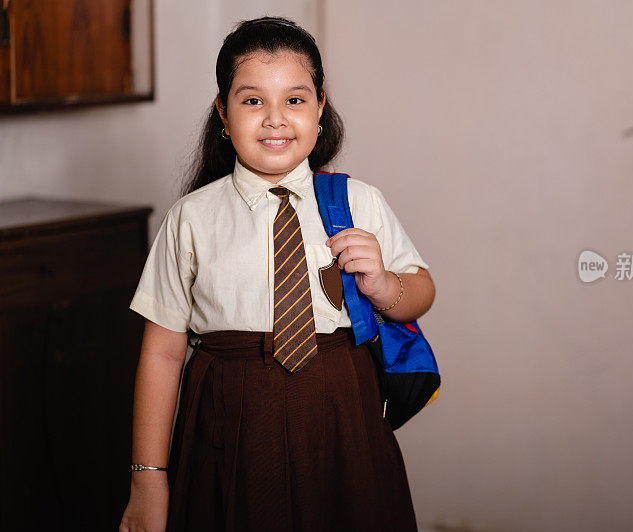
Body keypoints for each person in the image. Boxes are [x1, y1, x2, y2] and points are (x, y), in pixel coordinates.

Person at [118, 15, 435, 532]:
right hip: (229, 416)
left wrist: (382, 285)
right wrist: (147, 480)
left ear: (319, 108)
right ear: (223, 112)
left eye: (294, 99)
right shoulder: (191, 219)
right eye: (252, 100)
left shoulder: (358, 202)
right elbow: (162, 351)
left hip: (340, 411)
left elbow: (420, 293)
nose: (275, 119)